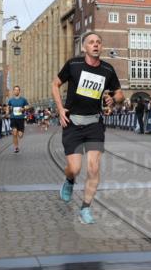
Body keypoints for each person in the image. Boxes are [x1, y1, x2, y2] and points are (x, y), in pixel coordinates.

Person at [52, 31, 124, 224]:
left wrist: (113, 99)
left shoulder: (107, 70)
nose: (95, 45)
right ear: (84, 47)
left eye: (99, 42)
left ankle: (85, 209)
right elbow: (55, 84)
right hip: (72, 123)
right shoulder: (73, 64)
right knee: (74, 169)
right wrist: (60, 109)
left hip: (94, 124)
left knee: (93, 168)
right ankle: (69, 181)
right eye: (91, 42)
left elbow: (120, 95)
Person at [6, 85, 29, 153]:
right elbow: (8, 107)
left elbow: (27, 106)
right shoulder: (11, 100)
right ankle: (16, 147)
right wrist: (7, 111)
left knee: (20, 135)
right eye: (15, 90)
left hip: (20, 118)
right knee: (14, 133)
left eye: (17, 90)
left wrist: (23, 108)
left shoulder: (23, 99)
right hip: (13, 118)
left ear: (19, 91)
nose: (16, 91)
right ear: (13, 91)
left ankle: (21, 130)